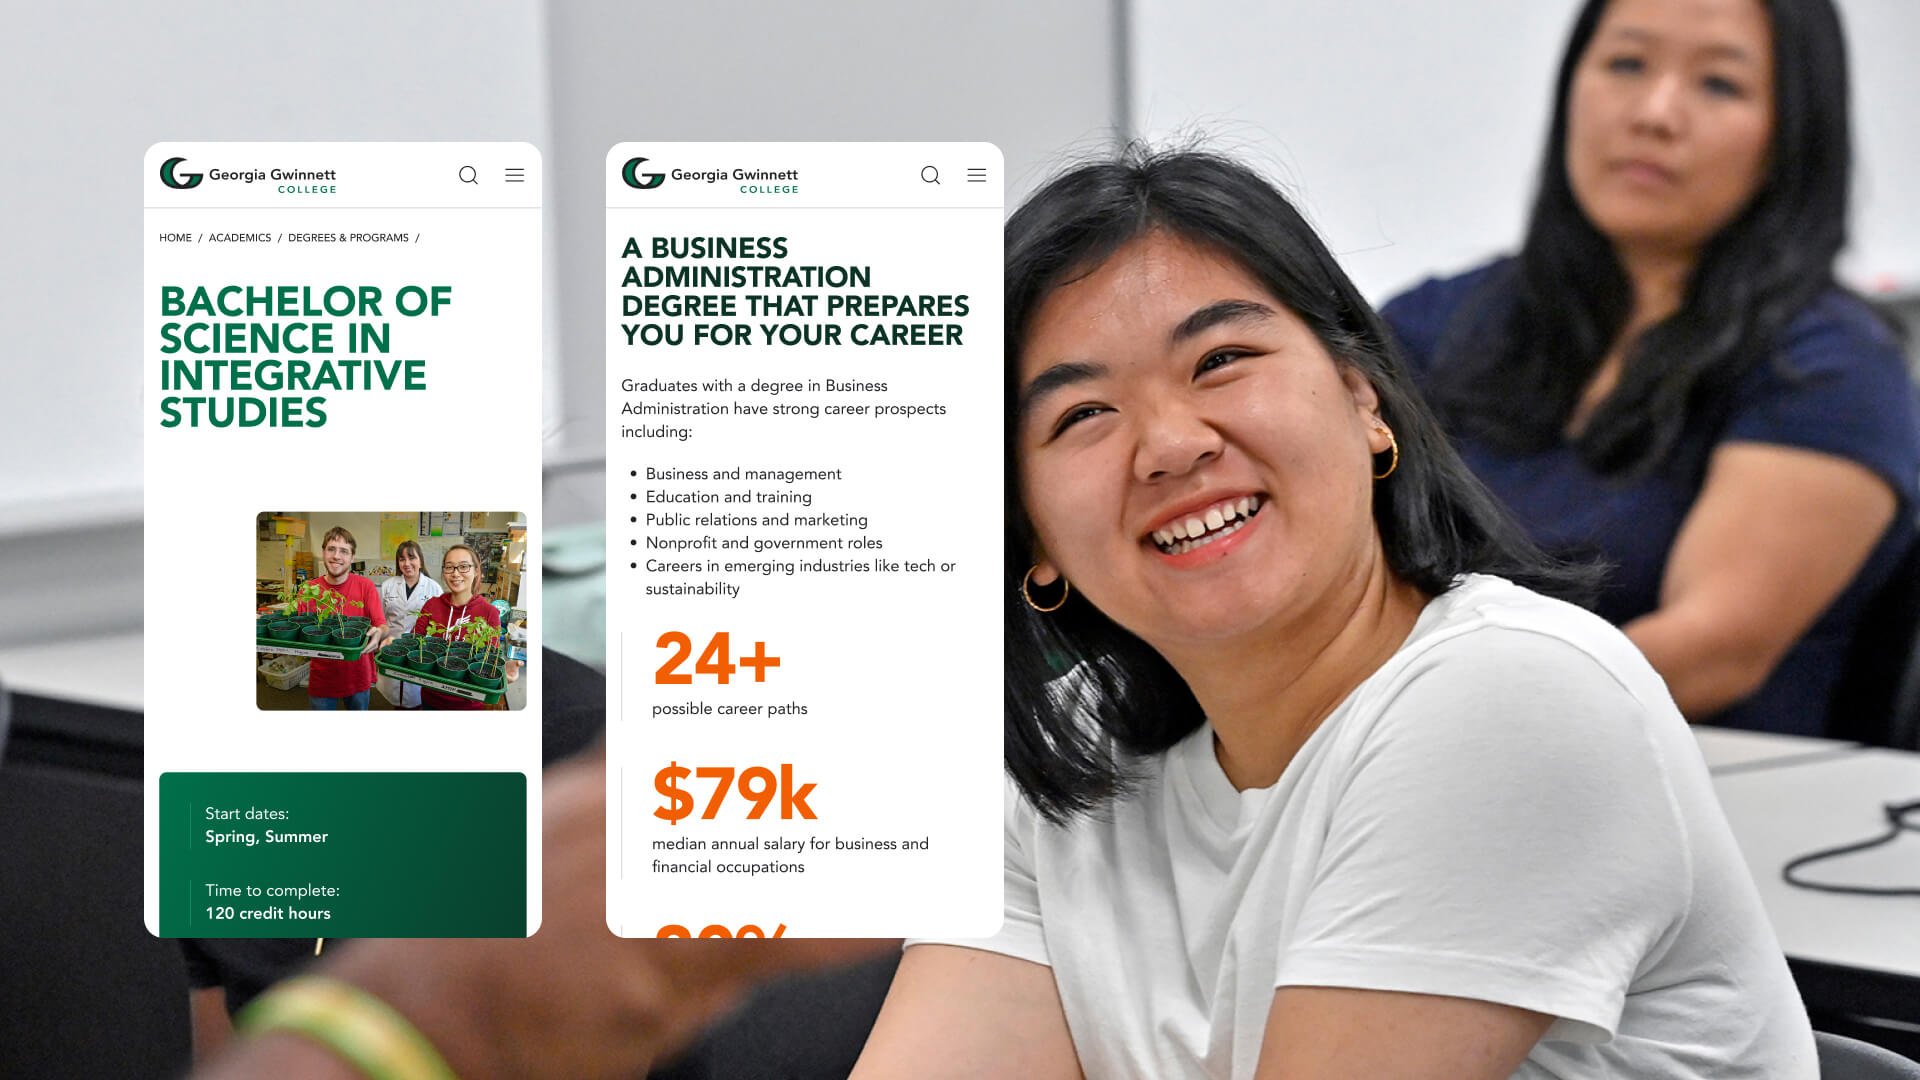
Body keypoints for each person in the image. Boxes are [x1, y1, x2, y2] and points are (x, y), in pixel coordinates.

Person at [845, 150, 1815, 1078]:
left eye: (1221, 359)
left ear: (1365, 399)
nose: (1171, 447)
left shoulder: (1511, 700)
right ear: (1035, 537)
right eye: (1081, 415)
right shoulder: (1076, 754)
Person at [1381, 0, 1920, 736]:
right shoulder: (1440, 320)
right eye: (1626, 65)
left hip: (1715, 802)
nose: (1656, 113)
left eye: (1720, 85)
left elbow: (1710, 651)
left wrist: (1421, 726)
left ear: (1794, 133)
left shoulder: (1833, 369)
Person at [409, 542, 521, 710]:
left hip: (469, 703)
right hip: (430, 697)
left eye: (463, 567)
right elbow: (413, 643)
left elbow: (489, 659)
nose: (455, 574)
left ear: (476, 571)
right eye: (449, 567)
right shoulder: (432, 606)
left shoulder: (489, 613)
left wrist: (503, 674)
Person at [301, 526, 386, 710]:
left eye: (344, 551)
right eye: (331, 549)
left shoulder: (366, 586)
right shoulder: (310, 589)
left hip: (358, 675)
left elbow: (382, 625)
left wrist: (379, 633)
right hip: (322, 677)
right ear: (323, 552)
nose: (336, 556)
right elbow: (298, 627)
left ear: (352, 558)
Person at [375, 538, 442, 708]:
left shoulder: (434, 588)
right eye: (402, 559)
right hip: (391, 647)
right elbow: (380, 619)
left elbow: (437, 626)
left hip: (419, 652)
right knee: (394, 696)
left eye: (412, 558)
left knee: (417, 696)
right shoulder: (388, 586)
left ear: (420, 560)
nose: (407, 563)